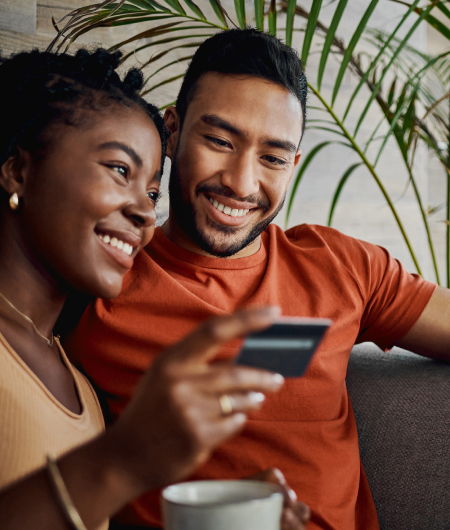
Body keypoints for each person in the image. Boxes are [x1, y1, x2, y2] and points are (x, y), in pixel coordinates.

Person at [66, 28, 450, 530]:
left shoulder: (341, 266)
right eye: (220, 141)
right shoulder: (99, 282)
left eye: (272, 158)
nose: (242, 183)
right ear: (172, 131)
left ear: (292, 164)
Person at [0, 47, 310, 530]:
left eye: (150, 190)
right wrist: (119, 463)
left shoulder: (72, 374)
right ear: (18, 169)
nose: (146, 213)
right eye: (120, 170)